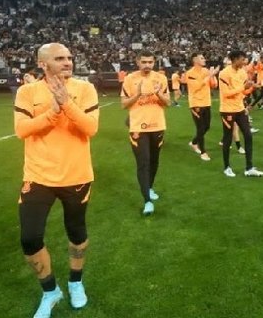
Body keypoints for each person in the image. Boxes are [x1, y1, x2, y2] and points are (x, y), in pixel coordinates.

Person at [13, 43, 99, 318]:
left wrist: (66, 104)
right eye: (59, 58)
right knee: (30, 238)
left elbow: (90, 128)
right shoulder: (28, 91)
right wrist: (52, 113)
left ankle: (75, 282)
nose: (67, 62)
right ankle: (50, 291)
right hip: (38, 176)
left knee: (76, 232)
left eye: (70, 58)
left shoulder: (85, 89)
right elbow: (21, 130)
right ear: (43, 64)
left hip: (76, 175)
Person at [120, 50, 170, 215]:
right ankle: (147, 201)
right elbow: (123, 104)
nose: (147, 65)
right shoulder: (130, 79)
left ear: (154, 62)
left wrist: (158, 93)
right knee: (143, 163)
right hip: (138, 128)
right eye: (144, 62)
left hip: (158, 126)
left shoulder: (161, 78)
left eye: (150, 62)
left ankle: (149, 188)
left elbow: (168, 103)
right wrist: (138, 94)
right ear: (138, 62)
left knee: (154, 161)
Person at [218, 50, 263, 177]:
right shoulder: (224, 73)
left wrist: (251, 87)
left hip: (239, 109)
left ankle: (249, 168)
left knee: (248, 135)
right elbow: (226, 93)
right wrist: (243, 88)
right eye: (242, 59)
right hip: (227, 110)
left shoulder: (242, 72)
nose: (244, 62)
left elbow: (242, 92)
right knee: (228, 139)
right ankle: (227, 167)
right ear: (234, 59)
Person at [185, 53, 219, 161]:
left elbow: (214, 85)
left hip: (206, 102)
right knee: (200, 128)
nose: (204, 59)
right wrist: (209, 75)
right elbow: (196, 87)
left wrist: (213, 76)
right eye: (202, 58)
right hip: (196, 104)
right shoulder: (190, 73)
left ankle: (194, 142)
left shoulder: (206, 71)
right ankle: (203, 152)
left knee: (207, 127)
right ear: (195, 60)